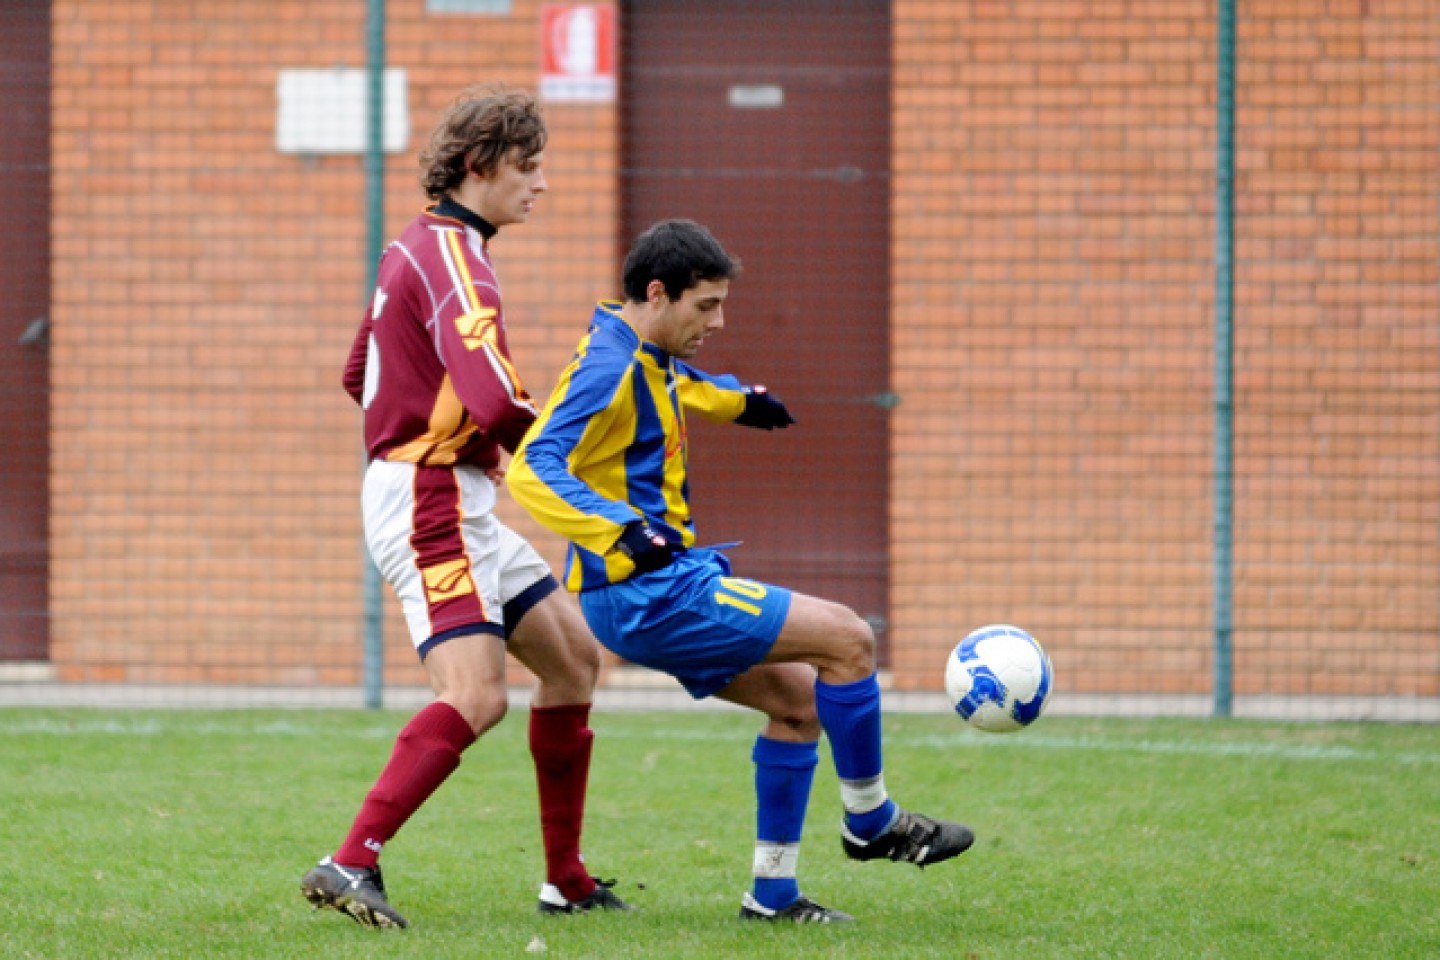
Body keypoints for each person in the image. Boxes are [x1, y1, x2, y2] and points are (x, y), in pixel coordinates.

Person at [507, 218, 974, 923]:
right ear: (658, 294)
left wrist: (737, 401)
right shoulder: (608, 365)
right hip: (649, 592)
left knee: (797, 707)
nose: (719, 321)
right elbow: (532, 466)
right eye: (706, 306)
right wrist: (623, 531)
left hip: (643, 591)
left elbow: (673, 383)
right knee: (849, 639)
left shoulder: (633, 346)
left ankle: (773, 896)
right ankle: (871, 821)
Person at [301, 86, 629, 929]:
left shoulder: (416, 246)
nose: (541, 184)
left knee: (571, 662)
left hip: (448, 488)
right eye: (528, 166)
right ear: (479, 167)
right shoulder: (455, 259)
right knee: (476, 696)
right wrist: (570, 470)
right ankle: (350, 862)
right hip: (430, 495)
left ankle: (567, 880)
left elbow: (357, 373)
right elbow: (494, 397)